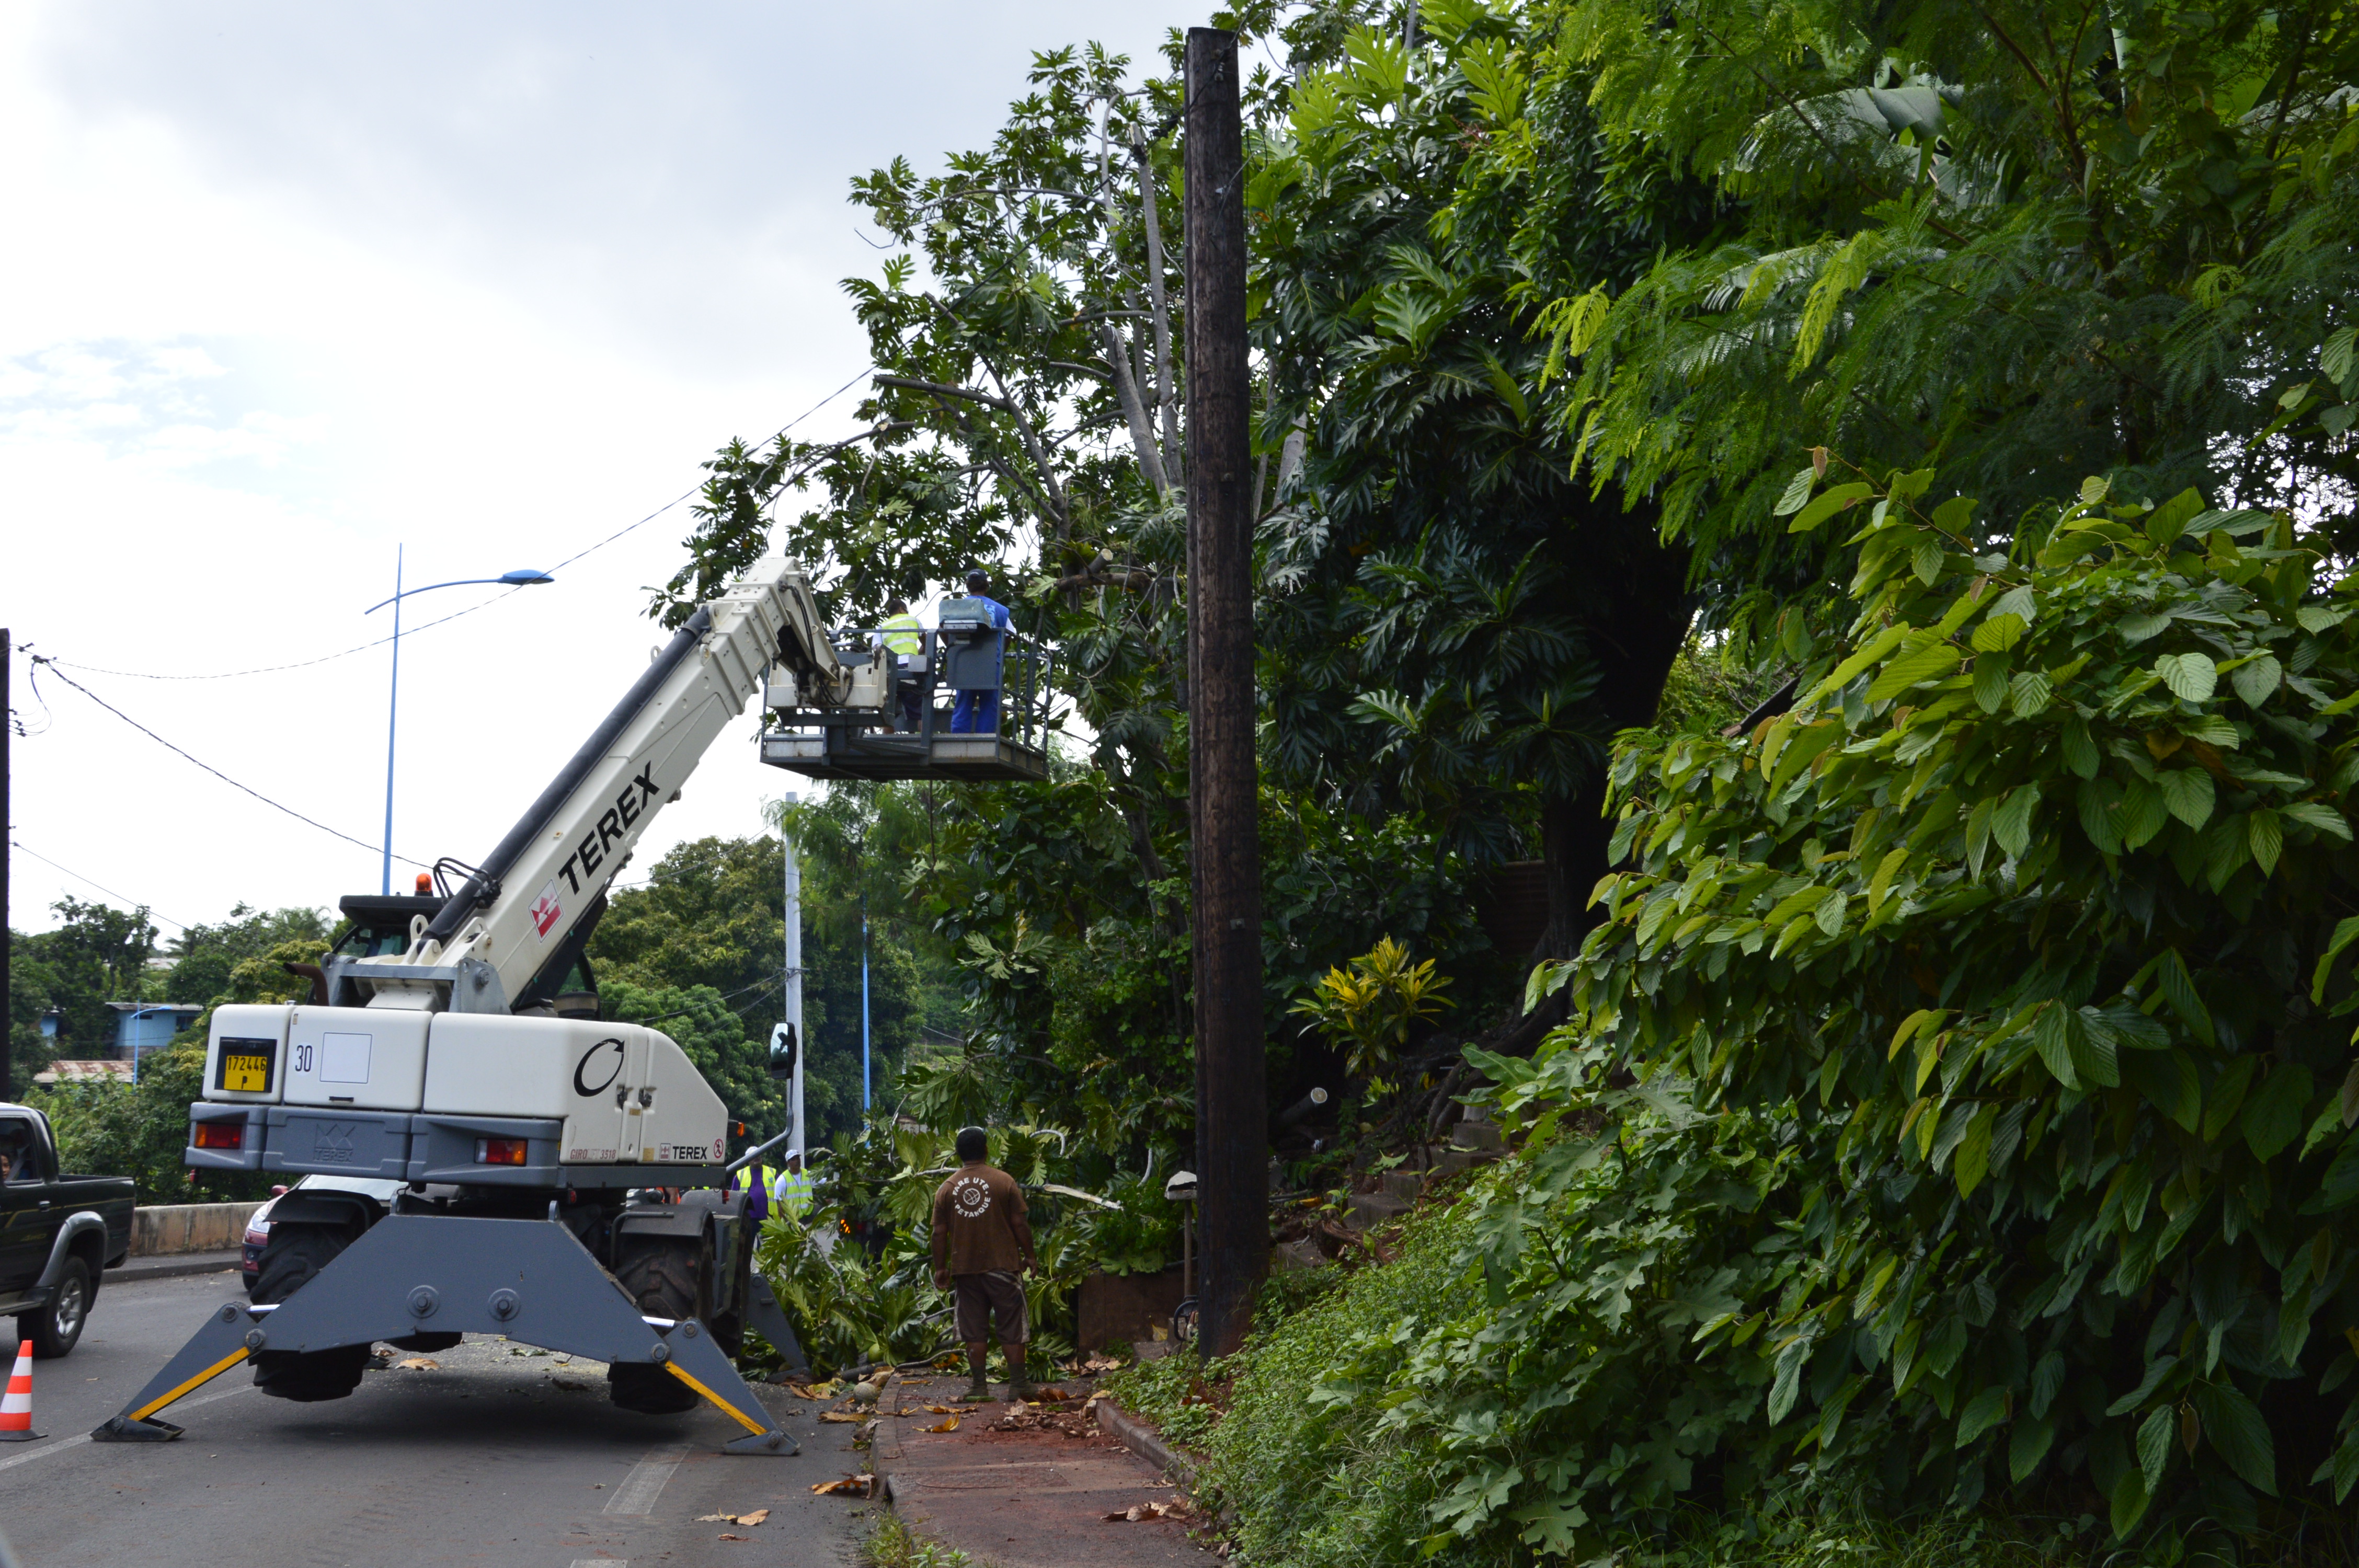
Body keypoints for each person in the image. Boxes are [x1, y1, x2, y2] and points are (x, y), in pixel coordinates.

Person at [930, 1124, 1038, 1401]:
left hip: (966, 1270)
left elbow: (939, 1232)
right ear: (987, 1150)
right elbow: (1019, 1223)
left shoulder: (947, 1188)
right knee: (1012, 1324)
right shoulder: (1004, 1181)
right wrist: (1030, 1255)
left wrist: (940, 1268)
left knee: (973, 1327)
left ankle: (979, 1388)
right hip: (1003, 1266)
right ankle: (1018, 1385)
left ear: (958, 1154)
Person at [947, 570, 1010, 735]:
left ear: (967, 586)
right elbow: (1010, 635)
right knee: (990, 704)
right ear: (987, 586)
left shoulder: (955, 608)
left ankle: (958, 739)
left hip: (963, 661)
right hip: (991, 662)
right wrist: (1000, 652)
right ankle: (986, 739)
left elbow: (941, 630)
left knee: (964, 702)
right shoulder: (1000, 610)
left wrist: (952, 649)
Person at [870, 598, 925, 732]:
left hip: (889, 671)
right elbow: (927, 643)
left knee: (889, 711)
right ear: (901, 609)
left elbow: (876, 649)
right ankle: (924, 743)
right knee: (922, 711)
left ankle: (887, 746)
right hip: (910, 668)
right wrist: (918, 655)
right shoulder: (913, 620)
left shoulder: (882, 626)